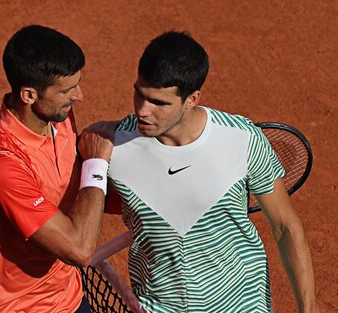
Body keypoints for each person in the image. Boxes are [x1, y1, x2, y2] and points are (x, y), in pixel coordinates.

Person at [103, 31, 318, 312]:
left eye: (159, 103)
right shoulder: (111, 145)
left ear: (192, 99)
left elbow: (285, 227)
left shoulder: (242, 139)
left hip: (241, 301)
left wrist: (309, 309)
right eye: (139, 94)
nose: (143, 110)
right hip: (158, 305)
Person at [0, 24, 114, 313]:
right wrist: (97, 163)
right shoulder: (0, 161)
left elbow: (72, 190)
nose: (79, 96)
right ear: (29, 95)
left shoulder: (60, 119)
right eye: (67, 90)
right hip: (12, 306)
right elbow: (79, 250)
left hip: (67, 298)